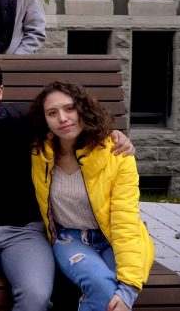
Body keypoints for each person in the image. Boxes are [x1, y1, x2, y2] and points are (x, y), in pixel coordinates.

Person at [0, 55, 134, 311]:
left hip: (24, 231)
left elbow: (71, 124)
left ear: (0, 92)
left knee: (36, 295)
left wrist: (113, 135)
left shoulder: (26, 121)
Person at [29, 81, 154, 311]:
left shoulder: (116, 153)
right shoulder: (39, 153)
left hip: (111, 238)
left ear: (83, 110)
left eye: (69, 108)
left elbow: (125, 220)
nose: (63, 118)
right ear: (44, 119)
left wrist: (129, 290)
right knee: (101, 285)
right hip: (69, 239)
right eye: (52, 113)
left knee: (117, 292)